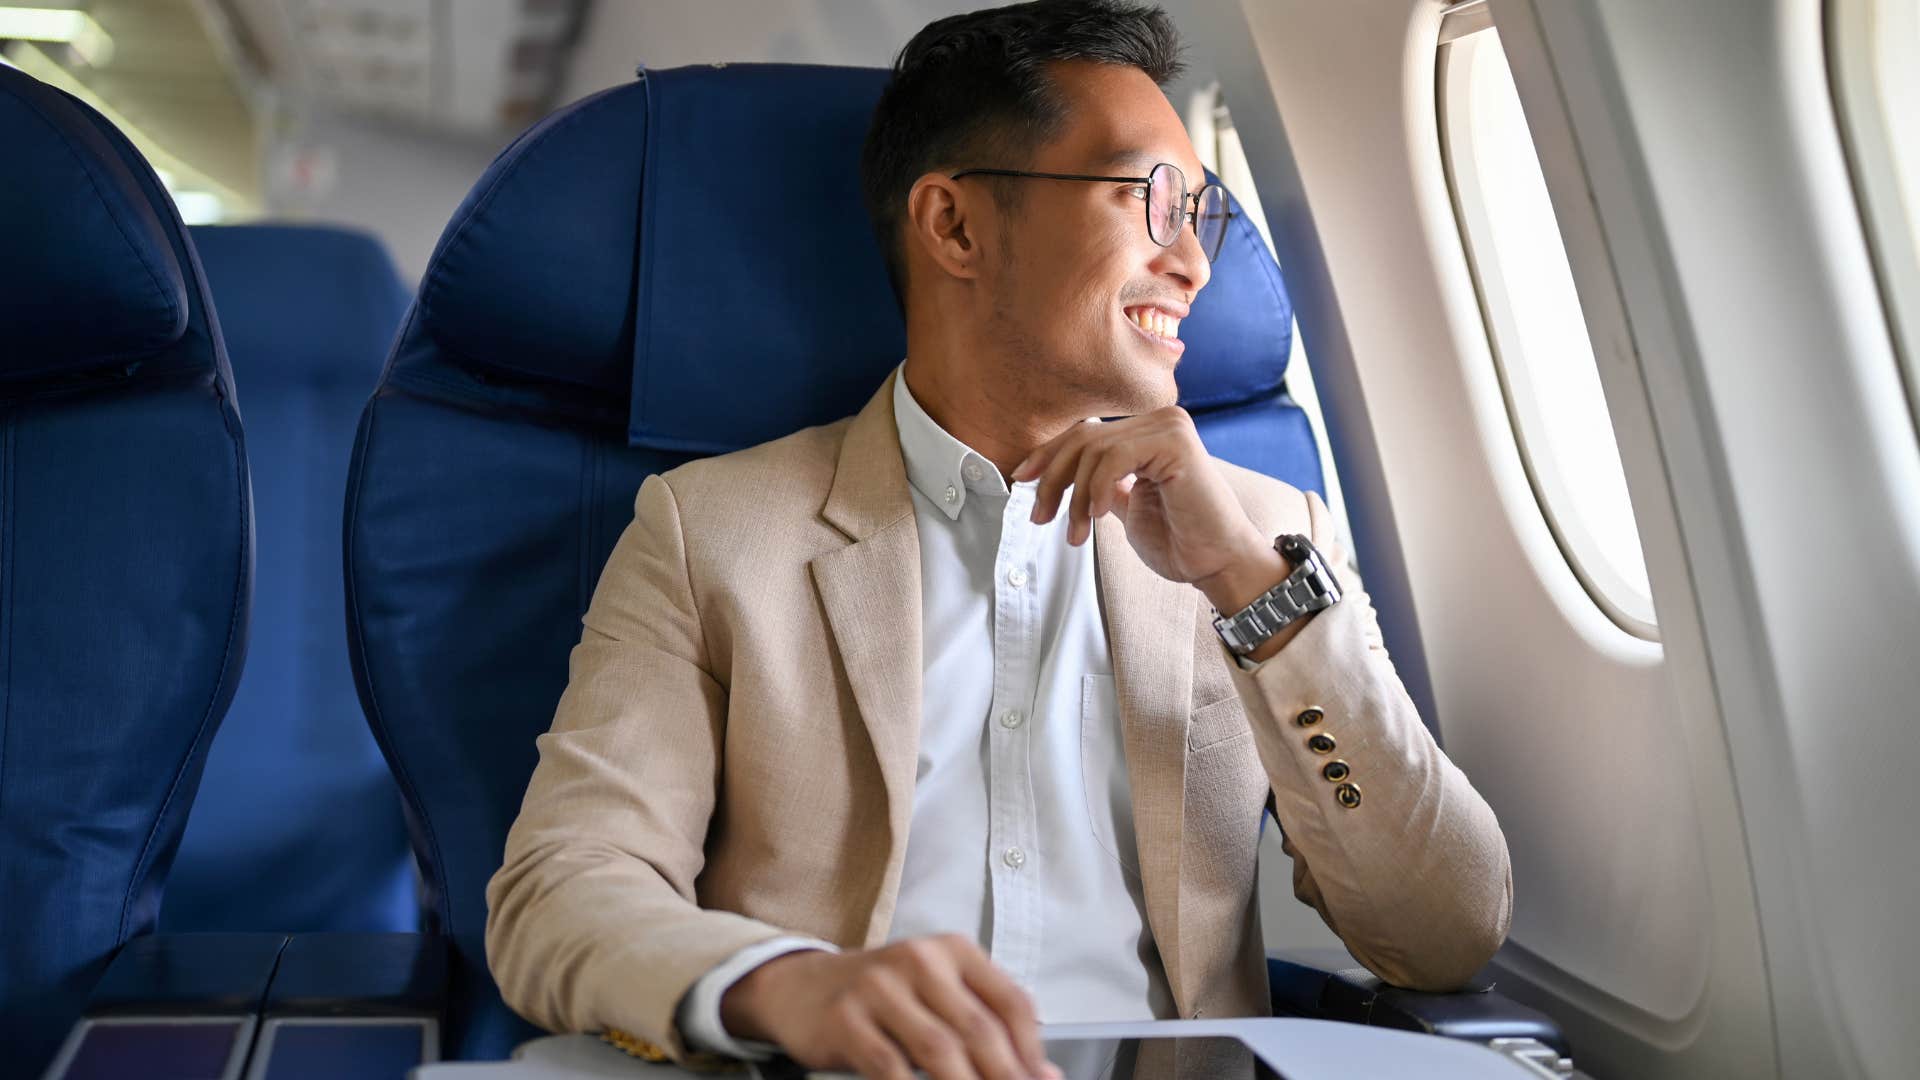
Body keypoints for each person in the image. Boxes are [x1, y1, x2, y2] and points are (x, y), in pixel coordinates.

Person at [486, 3, 1512, 1078]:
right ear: (955, 227)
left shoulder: (1269, 538)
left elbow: (1445, 934)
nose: (1195, 267)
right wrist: (783, 983)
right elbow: (561, 888)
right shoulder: (713, 533)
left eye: (1198, 217)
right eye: (1151, 198)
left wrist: (1246, 587)